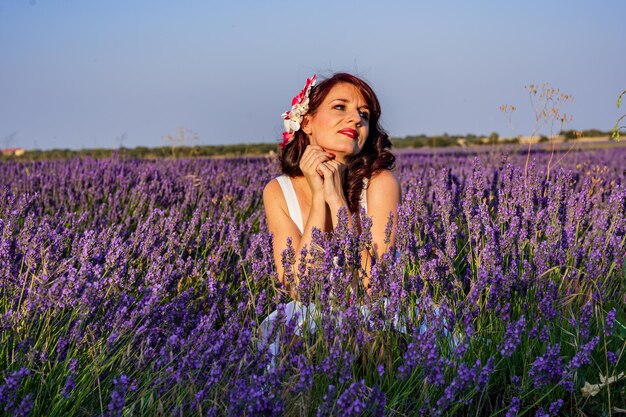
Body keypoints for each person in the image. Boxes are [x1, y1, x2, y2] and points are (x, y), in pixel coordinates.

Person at [258, 73, 403, 367]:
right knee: (295, 349)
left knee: (378, 345)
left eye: (364, 114)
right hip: (309, 317)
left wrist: (337, 199)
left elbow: (373, 285)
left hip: (373, 314)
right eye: (341, 107)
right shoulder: (278, 192)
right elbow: (299, 288)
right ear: (307, 122)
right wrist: (317, 197)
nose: (356, 119)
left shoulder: (380, 183)